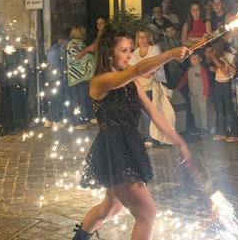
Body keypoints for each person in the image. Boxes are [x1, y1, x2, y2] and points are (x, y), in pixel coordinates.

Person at [75, 25, 190, 240]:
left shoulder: (130, 83)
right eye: (124, 51)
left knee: (111, 207)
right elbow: (137, 70)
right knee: (147, 213)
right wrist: (170, 54)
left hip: (128, 145)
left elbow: (154, 112)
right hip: (113, 149)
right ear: (109, 53)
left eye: (130, 50)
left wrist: (178, 140)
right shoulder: (100, 81)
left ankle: (81, 237)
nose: (130, 55)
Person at [130, 28, 171, 148]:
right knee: (143, 111)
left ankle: (153, 137)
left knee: (152, 111)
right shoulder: (134, 53)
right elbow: (134, 69)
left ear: (149, 38)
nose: (142, 40)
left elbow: (155, 66)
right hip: (141, 85)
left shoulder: (155, 49)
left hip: (155, 84)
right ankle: (147, 135)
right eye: (139, 37)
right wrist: (142, 71)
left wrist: (143, 71)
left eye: (144, 37)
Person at [210, 39, 238, 142]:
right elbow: (219, 67)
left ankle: (235, 134)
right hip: (218, 83)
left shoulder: (231, 56)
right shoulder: (216, 57)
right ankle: (222, 132)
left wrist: (222, 61)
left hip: (226, 83)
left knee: (229, 109)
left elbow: (231, 72)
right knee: (221, 110)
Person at [175, 52, 210, 136]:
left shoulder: (201, 69)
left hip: (201, 94)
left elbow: (206, 82)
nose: (194, 60)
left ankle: (204, 128)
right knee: (195, 111)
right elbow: (184, 80)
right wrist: (176, 89)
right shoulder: (189, 70)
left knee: (202, 111)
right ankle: (198, 127)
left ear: (200, 59)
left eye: (196, 58)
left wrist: (205, 94)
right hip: (193, 95)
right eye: (192, 58)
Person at [67, 26, 95, 129]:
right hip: (78, 77)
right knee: (79, 99)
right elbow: (75, 57)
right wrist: (88, 49)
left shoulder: (79, 44)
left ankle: (83, 119)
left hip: (83, 76)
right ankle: (78, 122)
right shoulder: (73, 44)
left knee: (83, 99)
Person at [45, 33, 70, 128]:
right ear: (60, 40)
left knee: (52, 99)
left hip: (50, 77)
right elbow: (63, 64)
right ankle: (57, 120)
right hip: (58, 77)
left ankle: (49, 119)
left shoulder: (50, 50)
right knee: (58, 99)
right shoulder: (59, 50)